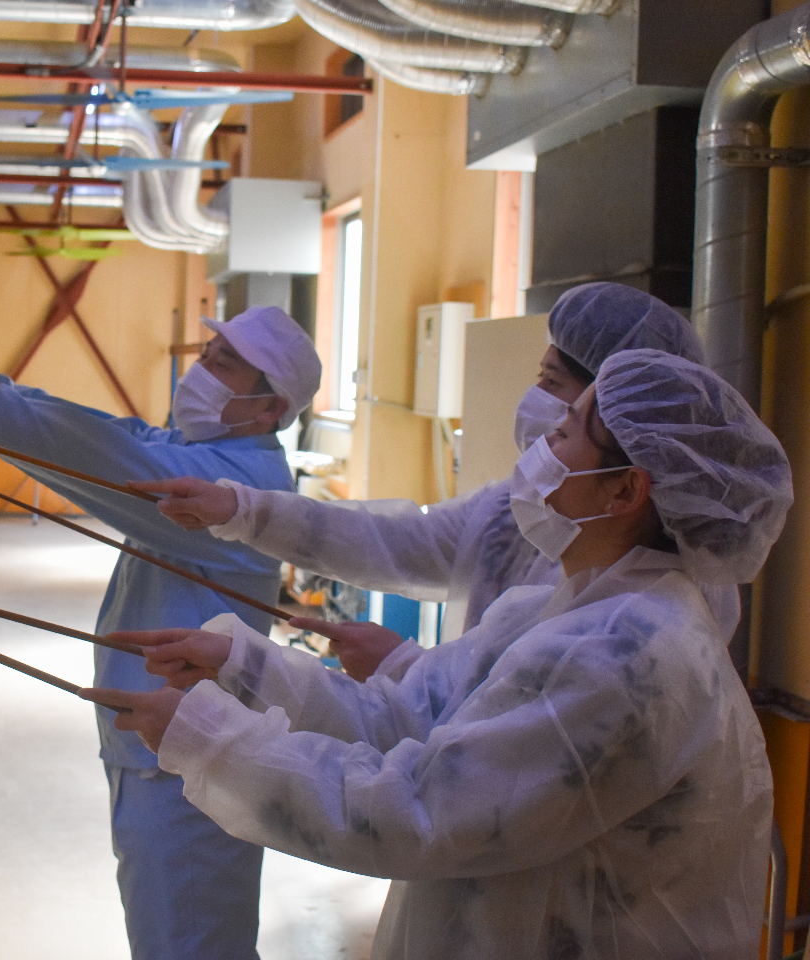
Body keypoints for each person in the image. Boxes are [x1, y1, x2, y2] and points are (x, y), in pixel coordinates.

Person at [88, 349, 793, 959]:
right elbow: (410, 715)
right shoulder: (560, 608)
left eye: (567, 431)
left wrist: (211, 742)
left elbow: (420, 811)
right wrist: (243, 665)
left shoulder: (626, 657)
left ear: (625, 489)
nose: (542, 444)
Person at [0, 306, 321, 960]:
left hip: (189, 758)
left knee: (189, 943)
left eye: (223, 363)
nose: (201, 369)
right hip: (162, 747)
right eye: (208, 352)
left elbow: (112, 458)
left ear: (269, 406)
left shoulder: (241, 490)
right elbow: (114, 433)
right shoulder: (210, 454)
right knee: (171, 935)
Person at [137, 282, 733, 682]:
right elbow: (399, 543)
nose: (539, 412)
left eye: (557, 392)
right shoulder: (518, 510)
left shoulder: (642, 609)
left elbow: (495, 750)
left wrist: (402, 667)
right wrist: (240, 509)